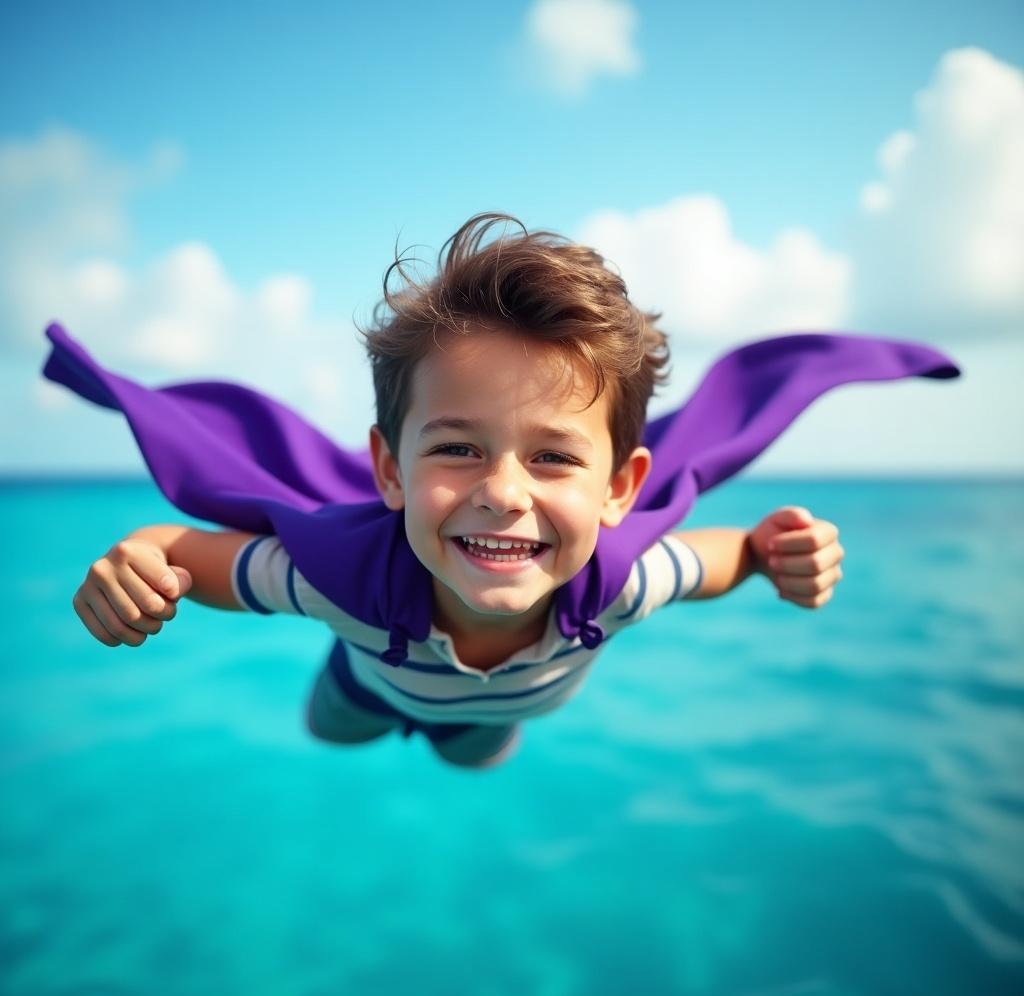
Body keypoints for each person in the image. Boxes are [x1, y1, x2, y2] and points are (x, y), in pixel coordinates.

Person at [58, 213, 956, 770]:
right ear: (388, 471)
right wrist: (136, 563)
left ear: (622, 489)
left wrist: (771, 555)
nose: (503, 493)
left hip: (501, 714)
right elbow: (185, 552)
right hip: (369, 679)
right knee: (333, 732)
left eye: (556, 458)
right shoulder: (340, 581)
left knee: (475, 757)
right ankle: (392, 705)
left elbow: (720, 560)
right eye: (457, 447)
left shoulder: (626, 579)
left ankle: (470, 730)